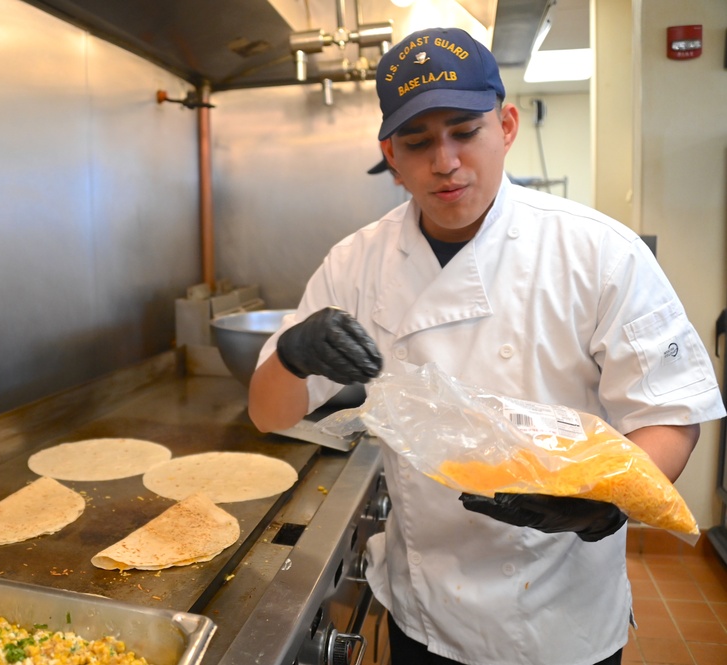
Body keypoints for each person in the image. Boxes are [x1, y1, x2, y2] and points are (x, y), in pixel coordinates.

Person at [248, 26, 725, 665]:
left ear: (505, 125)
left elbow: (668, 414)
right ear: (391, 155)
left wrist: (602, 502)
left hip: (558, 615)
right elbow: (267, 414)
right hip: (423, 609)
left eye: (464, 133)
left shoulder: (597, 252)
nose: (444, 162)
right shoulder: (355, 262)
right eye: (417, 143)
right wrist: (293, 354)